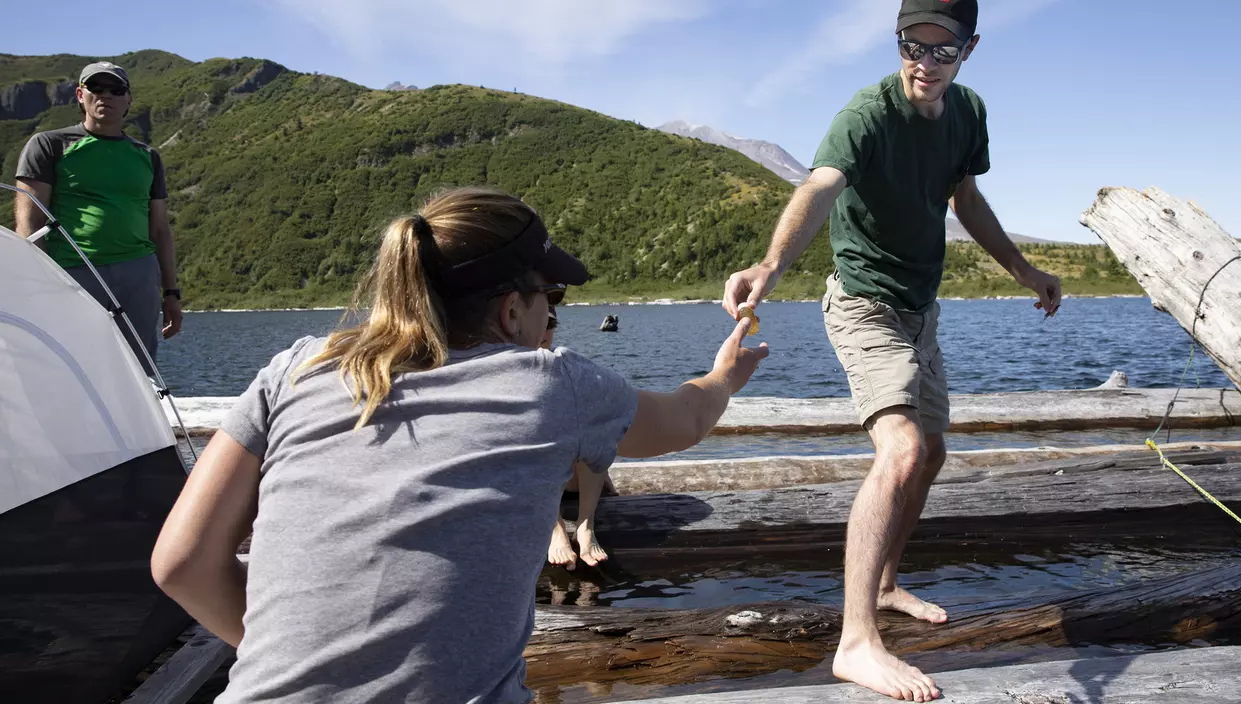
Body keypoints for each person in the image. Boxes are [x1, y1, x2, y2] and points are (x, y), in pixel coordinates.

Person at [151, 186, 769, 703]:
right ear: (510, 312)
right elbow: (685, 421)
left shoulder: (297, 369)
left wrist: (296, 665)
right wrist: (725, 376)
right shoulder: (554, 385)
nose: (552, 317)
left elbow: (180, 564)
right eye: (549, 300)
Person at [722, 1, 1061, 701]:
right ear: (898, 42)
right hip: (862, 303)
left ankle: (882, 584)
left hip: (921, 310)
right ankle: (855, 643)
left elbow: (965, 198)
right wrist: (771, 265)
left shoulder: (968, 113)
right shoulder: (866, 114)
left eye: (944, 50)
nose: (925, 64)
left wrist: (1025, 272)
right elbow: (818, 185)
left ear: (969, 49)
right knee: (901, 450)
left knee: (932, 452)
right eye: (914, 45)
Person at [14, 61, 182, 370]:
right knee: (71, 367)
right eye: (96, 88)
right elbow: (30, 223)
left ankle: (135, 420)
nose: (106, 96)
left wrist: (171, 292)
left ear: (128, 99)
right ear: (80, 94)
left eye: (116, 90)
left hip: (139, 275)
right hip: (73, 270)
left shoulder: (147, 156)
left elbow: (159, 229)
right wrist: (36, 282)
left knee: (139, 371)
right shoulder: (49, 145)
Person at [541, 305, 612, 570]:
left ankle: (586, 527)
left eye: (550, 323)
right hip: (532, 480)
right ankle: (555, 528)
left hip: (569, 477)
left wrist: (603, 469)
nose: (543, 329)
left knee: (592, 427)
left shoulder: (569, 371)